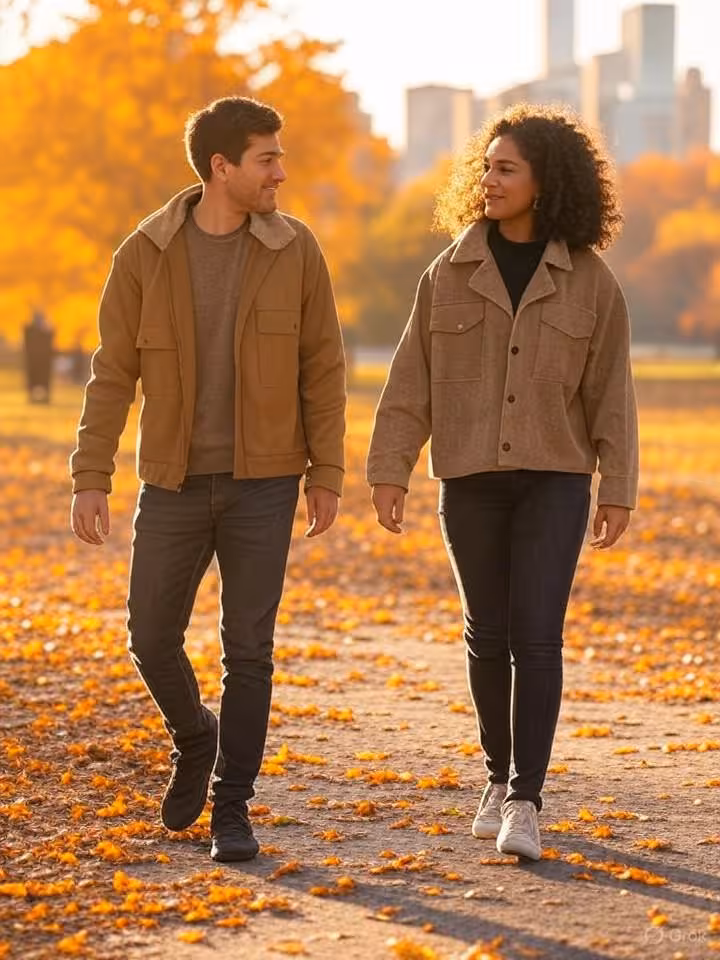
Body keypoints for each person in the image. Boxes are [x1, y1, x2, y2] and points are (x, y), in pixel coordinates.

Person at [70, 97, 346, 863]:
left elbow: (322, 367)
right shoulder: (145, 253)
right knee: (150, 635)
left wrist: (326, 469)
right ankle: (197, 735)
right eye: (267, 159)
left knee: (248, 648)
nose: (281, 172)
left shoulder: (297, 251)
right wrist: (90, 474)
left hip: (266, 483)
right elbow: (111, 374)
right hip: (174, 482)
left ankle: (233, 806)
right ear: (221, 167)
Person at [367, 105, 638, 861]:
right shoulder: (447, 273)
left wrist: (617, 485)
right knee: (486, 635)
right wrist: (390, 468)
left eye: (506, 168)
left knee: (537, 634)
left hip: (555, 477)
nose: (489, 180)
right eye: (485, 167)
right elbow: (409, 380)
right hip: (471, 479)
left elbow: (612, 391)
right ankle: (496, 774)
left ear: (546, 182)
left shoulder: (590, 281)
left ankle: (526, 799)